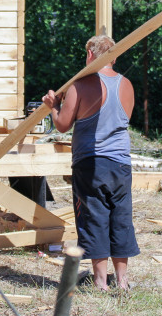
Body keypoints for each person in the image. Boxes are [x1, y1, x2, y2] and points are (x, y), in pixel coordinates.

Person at [42, 34, 139, 291]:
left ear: (90, 56)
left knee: (94, 217)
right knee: (120, 217)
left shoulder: (80, 86)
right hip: (120, 164)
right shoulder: (126, 84)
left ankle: (100, 281)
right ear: (114, 57)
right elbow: (121, 121)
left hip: (91, 162)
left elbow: (63, 125)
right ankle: (123, 280)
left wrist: (53, 106)